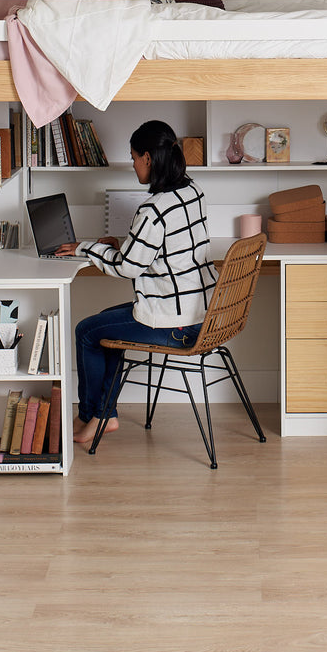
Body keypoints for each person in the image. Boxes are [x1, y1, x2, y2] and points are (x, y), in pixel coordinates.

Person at [55, 120, 216, 445]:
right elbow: (158, 251)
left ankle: (94, 416)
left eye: (133, 157)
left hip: (175, 323)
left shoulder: (154, 210)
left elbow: (128, 268)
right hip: (202, 314)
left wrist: (86, 247)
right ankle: (101, 414)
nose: (132, 164)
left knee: (87, 331)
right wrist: (122, 245)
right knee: (105, 327)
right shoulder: (192, 191)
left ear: (148, 158)